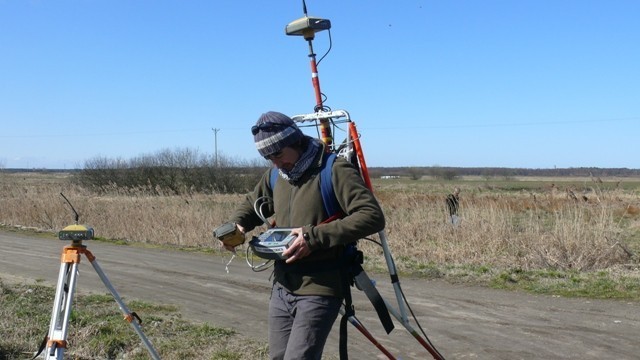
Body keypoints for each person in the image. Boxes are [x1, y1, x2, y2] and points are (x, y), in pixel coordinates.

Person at [223, 111, 385, 360]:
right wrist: (238, 225)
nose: (275, 162)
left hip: (320, 285)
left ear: (295, 141)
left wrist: (313, 237)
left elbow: (371, 215)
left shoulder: (334, 170)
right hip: (282, 285)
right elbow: (252, 204)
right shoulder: (277, 175)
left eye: (277, 154)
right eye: (268, 157)